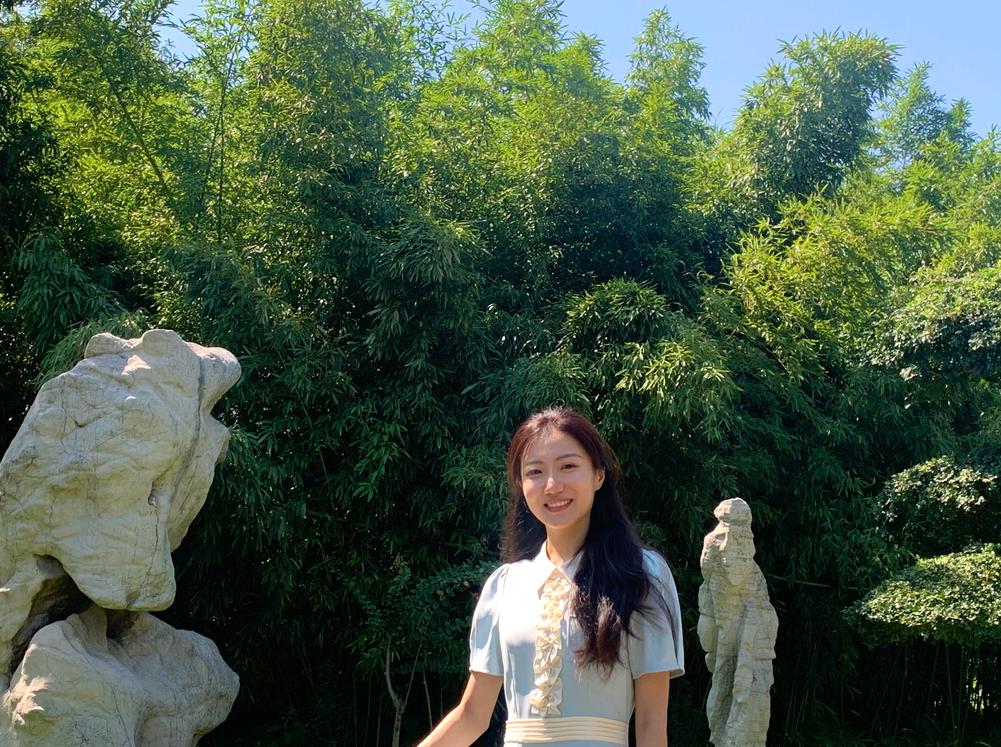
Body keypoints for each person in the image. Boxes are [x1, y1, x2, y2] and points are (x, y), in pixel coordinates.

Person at [418, 407, 684, 747]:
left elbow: (650, 725)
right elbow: (471, 715)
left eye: (568, 466)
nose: (552, 485)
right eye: (535, 472)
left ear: (598, 475)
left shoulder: (642, 574)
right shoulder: (504, 586)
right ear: (521, 484)